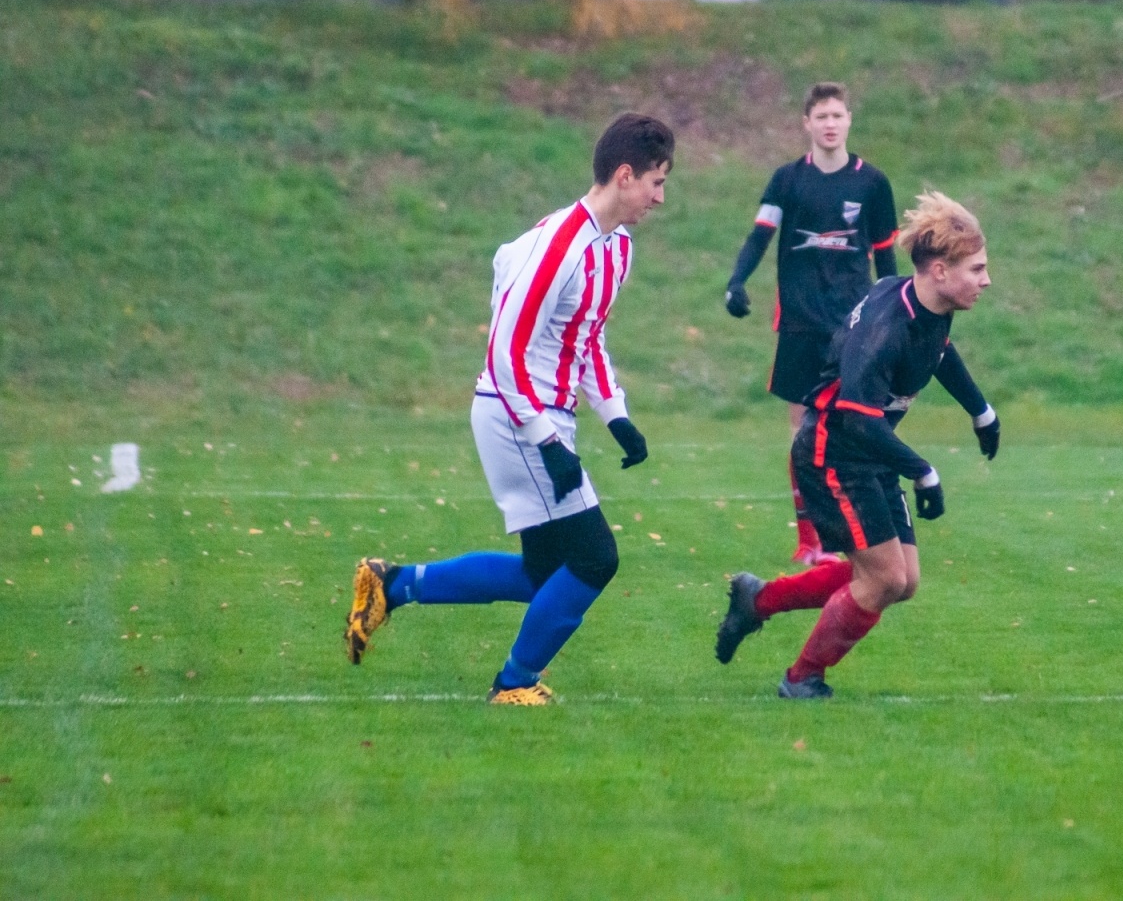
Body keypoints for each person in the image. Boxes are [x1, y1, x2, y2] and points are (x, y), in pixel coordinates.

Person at [342, 113, 674, 706]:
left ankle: (392, 585)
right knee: (597, 559)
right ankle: (513, 683)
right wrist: (548, 440)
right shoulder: (557, 246)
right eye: (657, 181)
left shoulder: (616, 247)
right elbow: (505, 352)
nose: (660, 196)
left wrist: (616, 415)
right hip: (515, 415)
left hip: (542, 417)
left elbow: (587, 338)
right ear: (625, 175)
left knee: (543, 575)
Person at [715, 191, 1001, 698]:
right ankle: (801, 679)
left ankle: (757, 600)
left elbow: (938, 349)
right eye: (976, 269)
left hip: (865, 450)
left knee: (902, 581)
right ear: (939, 270)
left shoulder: (921, 301)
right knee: (884, 580)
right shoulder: (885, 328)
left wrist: (981, 410)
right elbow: (856, 418)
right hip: (833, 452)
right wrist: (923, 471)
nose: (986, 280)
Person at [724, 83, 900, 566]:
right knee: (803, 434)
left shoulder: (872, 184)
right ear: (806, 123)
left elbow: (887, 258)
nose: (829, 123)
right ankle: (810, 540)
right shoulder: (786, 180)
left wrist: (897, 317)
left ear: (848, 121)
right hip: (800, 326)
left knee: (852, 429)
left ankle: (855, 531)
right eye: (820, 115)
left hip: (853, 328)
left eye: (837, 115)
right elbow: (760, 236)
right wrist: (737, 282)